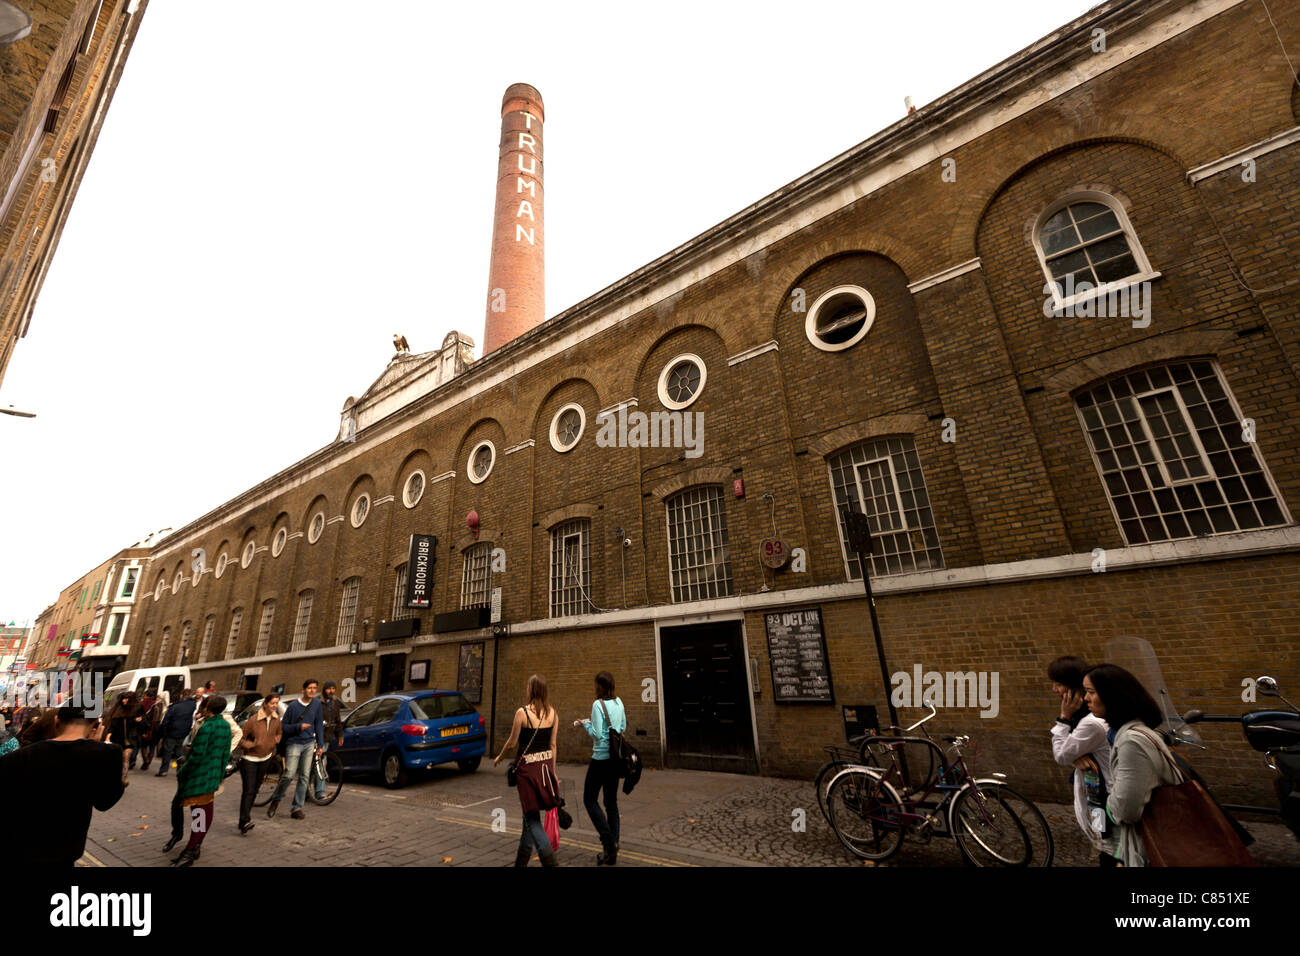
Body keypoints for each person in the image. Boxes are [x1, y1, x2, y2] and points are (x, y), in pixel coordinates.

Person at [0, 705, 127, 866]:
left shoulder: (20, 756)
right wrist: (96, 747)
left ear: (56, 720)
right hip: (64, 852)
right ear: (96, 723)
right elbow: (104, 802)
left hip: (17, 849)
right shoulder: (107, 753)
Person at [1083, 663, 1181, 867]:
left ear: (1112, 695)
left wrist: (1106, 804)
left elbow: (1126, 809)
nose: (1086, 698)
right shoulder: (1122, 734)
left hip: (1151, 848)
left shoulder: (1131, 741)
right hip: (1138, 841)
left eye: (1090, 692)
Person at [1047, 656, 1116, 864]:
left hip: (1104, 797)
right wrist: (1076, 756)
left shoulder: (1090, 722)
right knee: (1102, 841)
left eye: (1058, 684)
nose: (1054, 690)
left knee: (1109, 848)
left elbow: (1061, 754)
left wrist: (1063, 718)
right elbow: (1071, 750)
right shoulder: (1087, 716)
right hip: (1096, 793)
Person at [493, 674, 560, 866]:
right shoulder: (553, 714)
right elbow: (553, 745)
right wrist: (553, 772)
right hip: (545, 769)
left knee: (532, 818)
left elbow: (512, 743)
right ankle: (520, 863)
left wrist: (499, 756)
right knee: (528, 816)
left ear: (531, 690)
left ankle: (551, 862)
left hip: (527, 773)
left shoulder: (522, 713)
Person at [168, 695, 231, 867]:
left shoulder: (207, 727)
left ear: (208, 707)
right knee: (204, 812)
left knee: (200, 814)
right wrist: (219, 775)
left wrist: (182, 771)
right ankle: (194, 847)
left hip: (199, 776)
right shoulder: (225, 726)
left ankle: (189, 851)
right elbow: (226, 754)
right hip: (212, 776)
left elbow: (196, 756)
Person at [577, 670, 626, 865]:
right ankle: (612, 850)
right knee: (611, 803)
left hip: (600, 759)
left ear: (599, 686)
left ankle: (608, 841)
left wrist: (585, 724)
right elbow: (621, 727)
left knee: (589, 799)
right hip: (615, 760)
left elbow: (597, 734)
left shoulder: (597, 705)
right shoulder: (619, 702)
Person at [267, 678, 323, 820]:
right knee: (289, 774)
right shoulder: (293, 706)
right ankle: (276, 799)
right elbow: (284, 726)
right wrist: (298, 727)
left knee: (304, 777)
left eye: (314, 688)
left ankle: (297, 808)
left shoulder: (316, 704)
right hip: (294, 743)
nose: (312, 691)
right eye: (309, 688)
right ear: (303, 690)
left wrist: (320, 745)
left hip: (309, 743)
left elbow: (318, 725)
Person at [237, 692, 282, 834]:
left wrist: (275, 741)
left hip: (265, 758)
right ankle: (244, 821)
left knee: (255, 790)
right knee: (249, 790)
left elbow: (279, 733)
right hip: (250, 759)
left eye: (276, 703)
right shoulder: (253, 720)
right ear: (265, 704)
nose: (274, 706)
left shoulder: (277, 719)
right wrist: (250, 745)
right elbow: (240, 738)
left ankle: (244, 820)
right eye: (272, 703)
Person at [155, 687, 198, 776]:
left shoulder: (175, 706)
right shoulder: (192, 705)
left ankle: (164, 770)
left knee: (168, 751)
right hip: (184, 731)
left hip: (172, 731)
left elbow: (166, 720)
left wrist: (163, 729)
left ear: (181, 695)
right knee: (179, 751)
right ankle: (180, 769)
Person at [314, 681, 344, 801]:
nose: (331, 691)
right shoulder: (317, 701)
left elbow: (338, 720)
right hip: (316, 737)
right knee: (315, 765)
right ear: (324, 689)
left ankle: (319, 792)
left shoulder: (335, 703)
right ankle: (311, 791)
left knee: (321, 763)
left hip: (326, 738)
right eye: (329, 689)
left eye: (333, 688)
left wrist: (339, 735)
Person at [103, 691, 143, 770]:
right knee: (117, 759)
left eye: (126, 699)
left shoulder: (138, 708)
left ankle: (123, 778)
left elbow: (144, 722)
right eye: (123, 699)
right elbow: (113, 724)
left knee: (126, 758)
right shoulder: (118, 709)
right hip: (117, 738)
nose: (123, 700)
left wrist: (139, 721)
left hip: (131, 738)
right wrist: (108, 737)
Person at [135, 690, 162, 772]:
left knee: (143, 746)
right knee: (152, 746)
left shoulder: (142, 703)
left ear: (145, 695)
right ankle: (148, 762)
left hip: (145, 727)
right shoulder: (157, 704)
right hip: (155, 728)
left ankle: (145, 761)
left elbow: (140, 715)